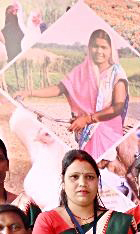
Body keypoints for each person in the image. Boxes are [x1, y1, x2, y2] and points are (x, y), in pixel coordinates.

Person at [15, 29, 129, 159]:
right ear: (89, 48)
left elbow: (118, 107)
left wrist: (88, 119)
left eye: (104, 47)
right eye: (95, 46)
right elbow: (60, 88)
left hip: (108, 133)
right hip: (85, 133)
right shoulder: (82, 71)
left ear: (110, 50)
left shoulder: (116, 74)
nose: (99, 51)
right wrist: (28, 92)